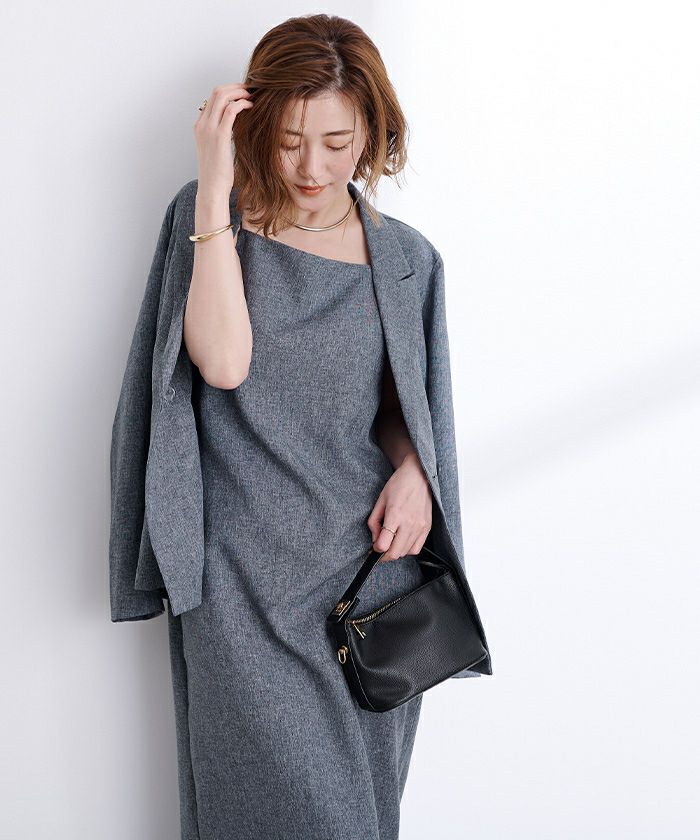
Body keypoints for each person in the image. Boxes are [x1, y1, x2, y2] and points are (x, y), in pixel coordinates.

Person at [113, 13, 487, 840]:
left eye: (335, 141)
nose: (311, 166)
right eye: (287, 141)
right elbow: (223, 363)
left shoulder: (406, 260)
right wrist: (214, 182)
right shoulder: (208, 221)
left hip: (368, 580)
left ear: (372, 132)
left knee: (358, 814)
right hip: (240, 577)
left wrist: (415, 474)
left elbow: (399, 413)